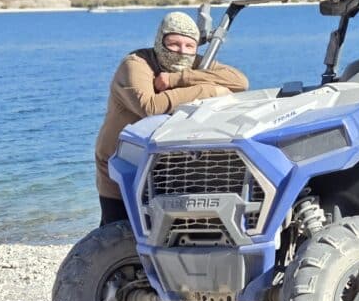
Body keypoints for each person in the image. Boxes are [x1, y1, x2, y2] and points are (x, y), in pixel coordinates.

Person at [95, 11, 249, 225]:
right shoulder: (136, 64)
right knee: (117, 233)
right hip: (121, 167)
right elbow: (150, 106)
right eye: (174, 43)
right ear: (160, 40)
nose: (181, 51)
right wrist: (211, 91)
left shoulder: (191, 64)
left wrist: (179, 78)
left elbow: (239, 81)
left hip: (163, 169)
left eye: (189, 46)